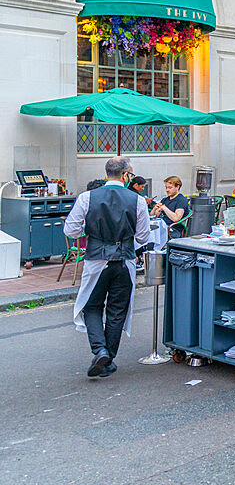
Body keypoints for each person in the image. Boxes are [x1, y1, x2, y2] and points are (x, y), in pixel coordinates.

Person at [63, 156, 151, 378]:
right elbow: (143, 237)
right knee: (117, 310)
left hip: (96, 260)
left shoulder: (87, 197)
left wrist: (91, 227)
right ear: (124, 175)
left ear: (106, 174)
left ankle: (100, 350)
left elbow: (70, 231)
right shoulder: (137, 200)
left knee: (91, 306)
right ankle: (108, 357)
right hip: (125, 261)